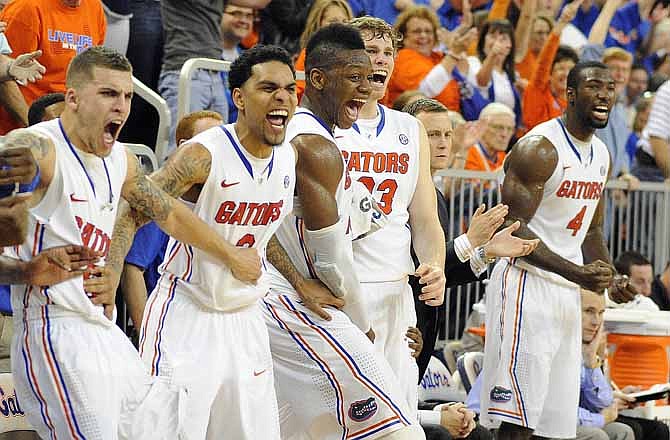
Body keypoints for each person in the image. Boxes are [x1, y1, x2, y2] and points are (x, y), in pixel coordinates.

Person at [4, 45, 261, 439]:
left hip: (103, 330)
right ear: (73, 98)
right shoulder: (37, 149)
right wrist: (24, 271)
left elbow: (170, 214)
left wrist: (231, 255)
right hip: (53, 328)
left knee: (161, 430)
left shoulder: (121, 160)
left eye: (126, 96)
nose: (121, 106)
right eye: (108, 94)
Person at [105, 44, 298, 439]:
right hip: (188, 314)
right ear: (239, 98)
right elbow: (134, 206)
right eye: (268, 88)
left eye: (290, 88)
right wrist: (109, 277)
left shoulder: (287, 158)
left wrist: (300, 283)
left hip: (245, 317)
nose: (282, 97)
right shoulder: (203, 155)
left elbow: (263, 234)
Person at [263, 23, 425, 439]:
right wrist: (361, 322)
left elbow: (271, 229)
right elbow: (332, 257)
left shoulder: (310, 137)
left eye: (370, 75)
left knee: (309, 429)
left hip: (295, 294)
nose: (367, 84)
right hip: (303, 306)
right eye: (354, 77)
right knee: (400, 430)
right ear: (317, 79)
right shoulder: (315, 146)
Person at [479, 61, 637, 440]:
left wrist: (610, 277)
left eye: (610, 87)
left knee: (556, 422)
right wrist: (575, 273)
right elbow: (511, 228)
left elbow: (591, 229)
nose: (603, 94)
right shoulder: (539, 149)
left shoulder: (600, 154)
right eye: (593, 86)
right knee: (519, 417)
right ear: (569, 94)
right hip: (524, 286)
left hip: (565, 292)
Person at [333, 17, 446, 421]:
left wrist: (434, 265)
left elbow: (425, 218)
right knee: (341, 418)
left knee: (400, 417)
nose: (380, 61)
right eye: (370, 51)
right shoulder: (320, 126)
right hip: (341, 292)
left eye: (387, 53)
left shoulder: (410, 128)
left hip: (396, 292)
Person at [403, 97, 538, 380]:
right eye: (432, 134)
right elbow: (412, 267)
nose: (442, 143)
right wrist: (468, 241)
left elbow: (438, 273)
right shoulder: (401, 193)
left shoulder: (432, 193)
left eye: (447, 135)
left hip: (419, 334)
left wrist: (485, 252)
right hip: (403, 329)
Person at [121, 109, 224, 330]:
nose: (218, 153)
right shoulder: (160, 198)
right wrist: (146, 335)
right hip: (170, 320)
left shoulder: (227, 194)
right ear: (185, 147)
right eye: (210, 144)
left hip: (217, 316)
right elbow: (133, 270)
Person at [0, 0, 106, 134]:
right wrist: (34, 129)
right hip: (22, 129)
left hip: (69, 126)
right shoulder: (27, 9)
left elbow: (91, 72)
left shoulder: (95, 8)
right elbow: (5, 82)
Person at [577, 288, 635, 440]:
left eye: (601, 312)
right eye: (589, 311)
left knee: (623, 431)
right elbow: (562, 412)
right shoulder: (559, 348)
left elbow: (604, 402)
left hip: (579, 418)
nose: (596, 321)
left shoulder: (585, 347)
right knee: (597, 436)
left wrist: (591, 359)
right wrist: (601, 419)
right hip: (547, 425)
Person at [294, 0, 352, 101]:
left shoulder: (357, 56)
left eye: (344, 21)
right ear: (319, 24)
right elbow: (298, 94)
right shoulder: (307, 56)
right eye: (333, 21)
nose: (340, 26)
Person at [464, 103, 514, 172]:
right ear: (482, 127)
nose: (504, 134)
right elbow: (473, 182)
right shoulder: (467, 153)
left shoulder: (502, 157)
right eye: (498, 127)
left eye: (510, 129)